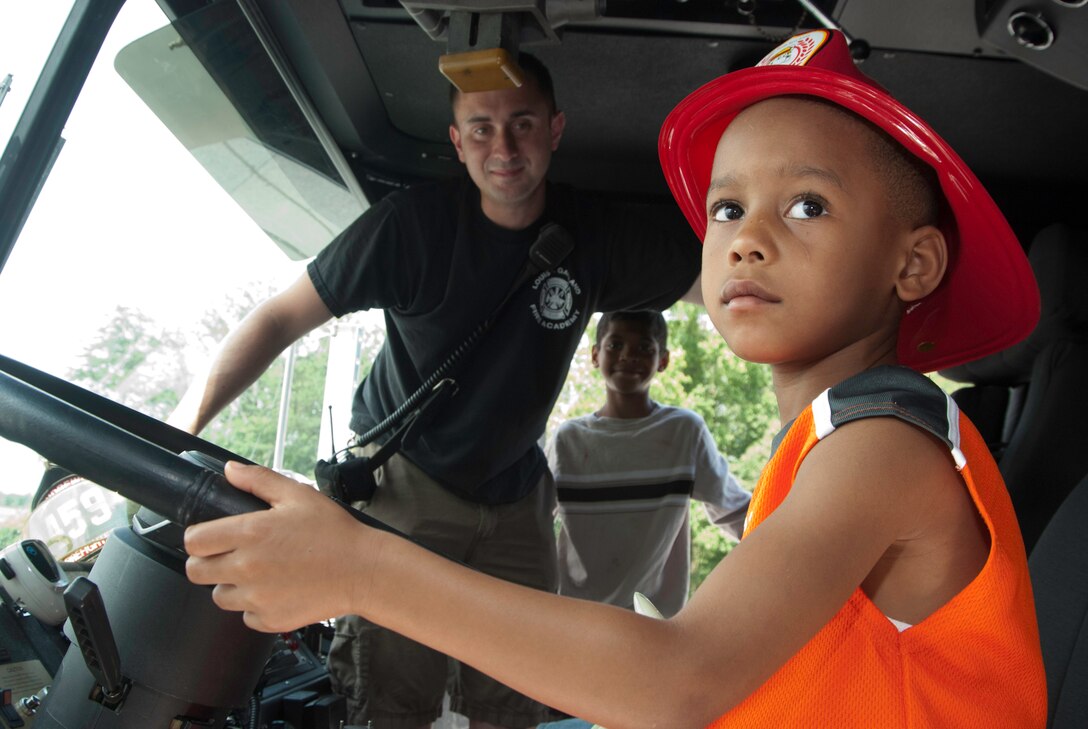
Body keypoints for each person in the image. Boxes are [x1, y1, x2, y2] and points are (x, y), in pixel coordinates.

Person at [184, 29, 1047, 728]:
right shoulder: (834, 443)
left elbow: (677, 679)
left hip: (506, 495)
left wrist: (359, 568)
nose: (746, 240)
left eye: (807, 206)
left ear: (913, 264)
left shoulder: (883, 447)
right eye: (726, 208)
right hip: (418, 477)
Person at [172, 52, 700, 729]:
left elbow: (718, 274)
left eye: (523, 124)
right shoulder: (412, 227)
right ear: (456, 140)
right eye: (481, 128)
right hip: (409, 484)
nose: (503, 147)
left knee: (517, 700)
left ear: (555, 129)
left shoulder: (592, 234)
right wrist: (182, 426)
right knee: (391, 700)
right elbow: (279, 317)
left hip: (516, 495)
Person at [547, 310, 749, 618]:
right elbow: (532, 526)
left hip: (655, 623)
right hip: (577, 618)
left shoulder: (683, 432)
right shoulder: (568, 440)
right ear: (595, 355)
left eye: (644, 347)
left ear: (663, 360)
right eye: (615, 345)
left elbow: (736, 511)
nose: (628, 355)